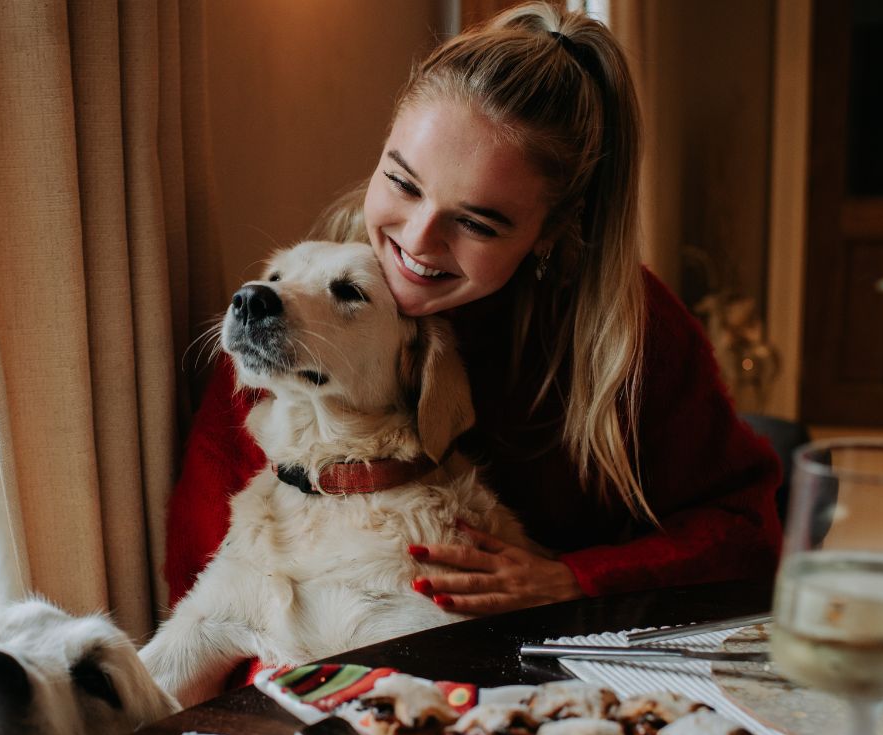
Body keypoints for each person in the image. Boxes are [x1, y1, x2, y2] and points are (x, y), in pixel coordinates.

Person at [164, 3, 781, 623]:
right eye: (403, 183)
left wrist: (576, 579)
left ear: (550, 232)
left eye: (476, 222)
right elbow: (208, 563)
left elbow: (745, 529)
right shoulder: (299, 298)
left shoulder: (632, 332)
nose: (418, 241)